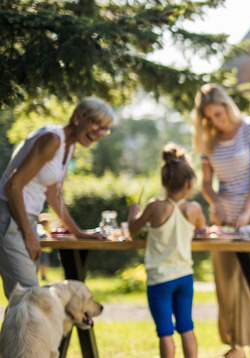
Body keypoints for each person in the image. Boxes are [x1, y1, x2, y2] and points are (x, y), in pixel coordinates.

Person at [0, 97, 112, 298]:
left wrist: (78, 232)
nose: (100, 132)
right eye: (96, 123)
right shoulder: (52, 139)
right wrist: (28, 234)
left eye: (105, 128)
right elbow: (13, 186)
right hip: (10, 216)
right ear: (78, 117)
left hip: (25, 219)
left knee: (24, 302)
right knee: (28, 299)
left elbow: (53, 195)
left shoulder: (69, 146)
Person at [192, 83, 250, 358]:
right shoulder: (208, 138)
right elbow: (206, 183)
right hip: (225, 223)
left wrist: (246, 213)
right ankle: (236, 345)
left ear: (227, 107)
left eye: (219, 114)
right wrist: (216, 204)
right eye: (210, 117)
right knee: (225, 282)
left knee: (247, 282)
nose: (216, 121)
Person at [128, 143, 205, 358]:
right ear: (190, 184)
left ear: (164, 181)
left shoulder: (155, 206)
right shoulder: (194, 208)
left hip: (159, 279)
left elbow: (133, 229)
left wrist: (133, 211)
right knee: (186, 327)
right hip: (184, 276)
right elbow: (201, 227)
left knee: (165, 332)